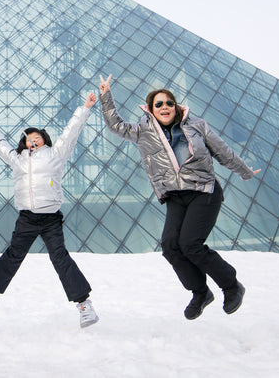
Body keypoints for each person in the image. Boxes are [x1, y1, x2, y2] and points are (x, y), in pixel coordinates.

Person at [97, 74, 261, 320]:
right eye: (159, 104)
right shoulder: (143, 132)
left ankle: (231, 286)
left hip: (204, 191)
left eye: (169, 103)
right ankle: (200, 292)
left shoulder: (197, 125)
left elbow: (222, 152)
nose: (165, 107)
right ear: (150, 109)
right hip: (175, 196)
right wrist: (106, 95)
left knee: (191, 245)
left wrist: (245, 171)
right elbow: (115, 126)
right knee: (171, 246)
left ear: (176, 106)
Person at [0, 92, 100, 329]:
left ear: (44, 139)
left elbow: (71, 131)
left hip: (51, 218)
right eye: (29, 137)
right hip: (27, 218)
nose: (34, 139)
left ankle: (84, 304)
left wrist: (85, 107)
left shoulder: (55, 155)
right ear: (24, 142)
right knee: (13, 256)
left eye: (38, 136)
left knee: (60, 258)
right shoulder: (18, 160)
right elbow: (1, 148)